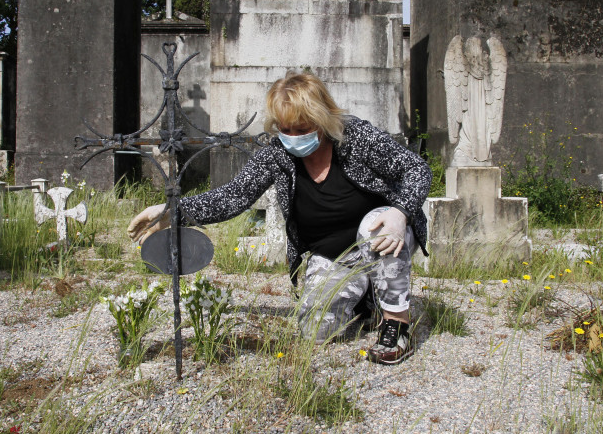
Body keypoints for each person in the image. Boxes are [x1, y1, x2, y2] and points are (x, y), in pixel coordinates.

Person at [128, 71, 431, 365]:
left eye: (302, 128)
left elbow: (416, 169)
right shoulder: (277, 153)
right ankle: (365, 296)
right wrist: (175, 211)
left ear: (323, 120)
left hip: (382, 233)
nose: (293, 137)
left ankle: (397, 325)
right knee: (315, 330)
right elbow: (235, 195)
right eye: (285, 129)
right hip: (333, 253)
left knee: (372, 228)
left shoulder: (355, 137)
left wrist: (401, 212)